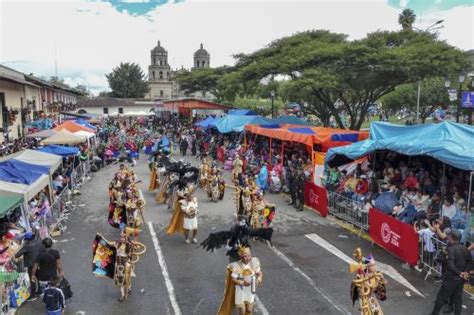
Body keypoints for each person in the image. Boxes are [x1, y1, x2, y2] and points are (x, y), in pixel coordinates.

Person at [431, 230, 471, 315]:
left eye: (449, 236)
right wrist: (465, 272)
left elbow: (450, 265)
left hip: (451, 278)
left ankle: (434, 313)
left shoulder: (451, 249)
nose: (447, 237)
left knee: (441, 297)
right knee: (458, 299)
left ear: (451, 237)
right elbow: (470, 262)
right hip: (460, 279)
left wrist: (460, 272)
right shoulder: (465, 248)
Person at [217, 246, 263, 315]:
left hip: (250, 290)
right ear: (241, 257)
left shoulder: (254, 262)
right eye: (245, 256)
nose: (248, 258)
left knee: (249, 310)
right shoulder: (236, 266)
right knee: (242, 311)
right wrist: (242, 283)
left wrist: (258, 280)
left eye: (249, 256)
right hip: (241, 290)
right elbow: (233, 279)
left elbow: (260, 273)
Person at [15, 231, 43, 300]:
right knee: (38, 277)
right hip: (39, 262)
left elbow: (17, 255)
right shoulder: (38, 241)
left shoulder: (27, 246)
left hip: (31, 265)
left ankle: (33, 295)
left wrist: (22, 248)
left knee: (32, 279)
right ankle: (39, 290)